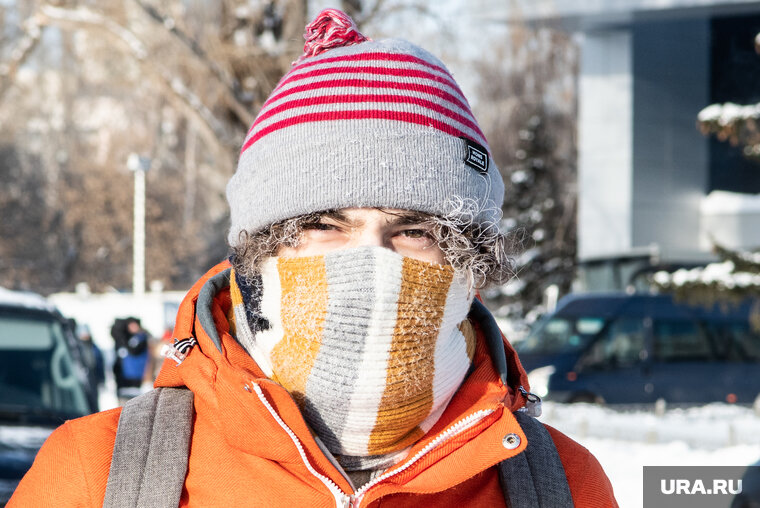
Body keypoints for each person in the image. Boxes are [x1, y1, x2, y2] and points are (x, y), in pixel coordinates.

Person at [10, 9, 618, 507]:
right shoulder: (99, 475)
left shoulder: (560, 486)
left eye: (414, 231)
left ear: (468, 263)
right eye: (325, 225)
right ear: (258, 251)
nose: (373, 261)